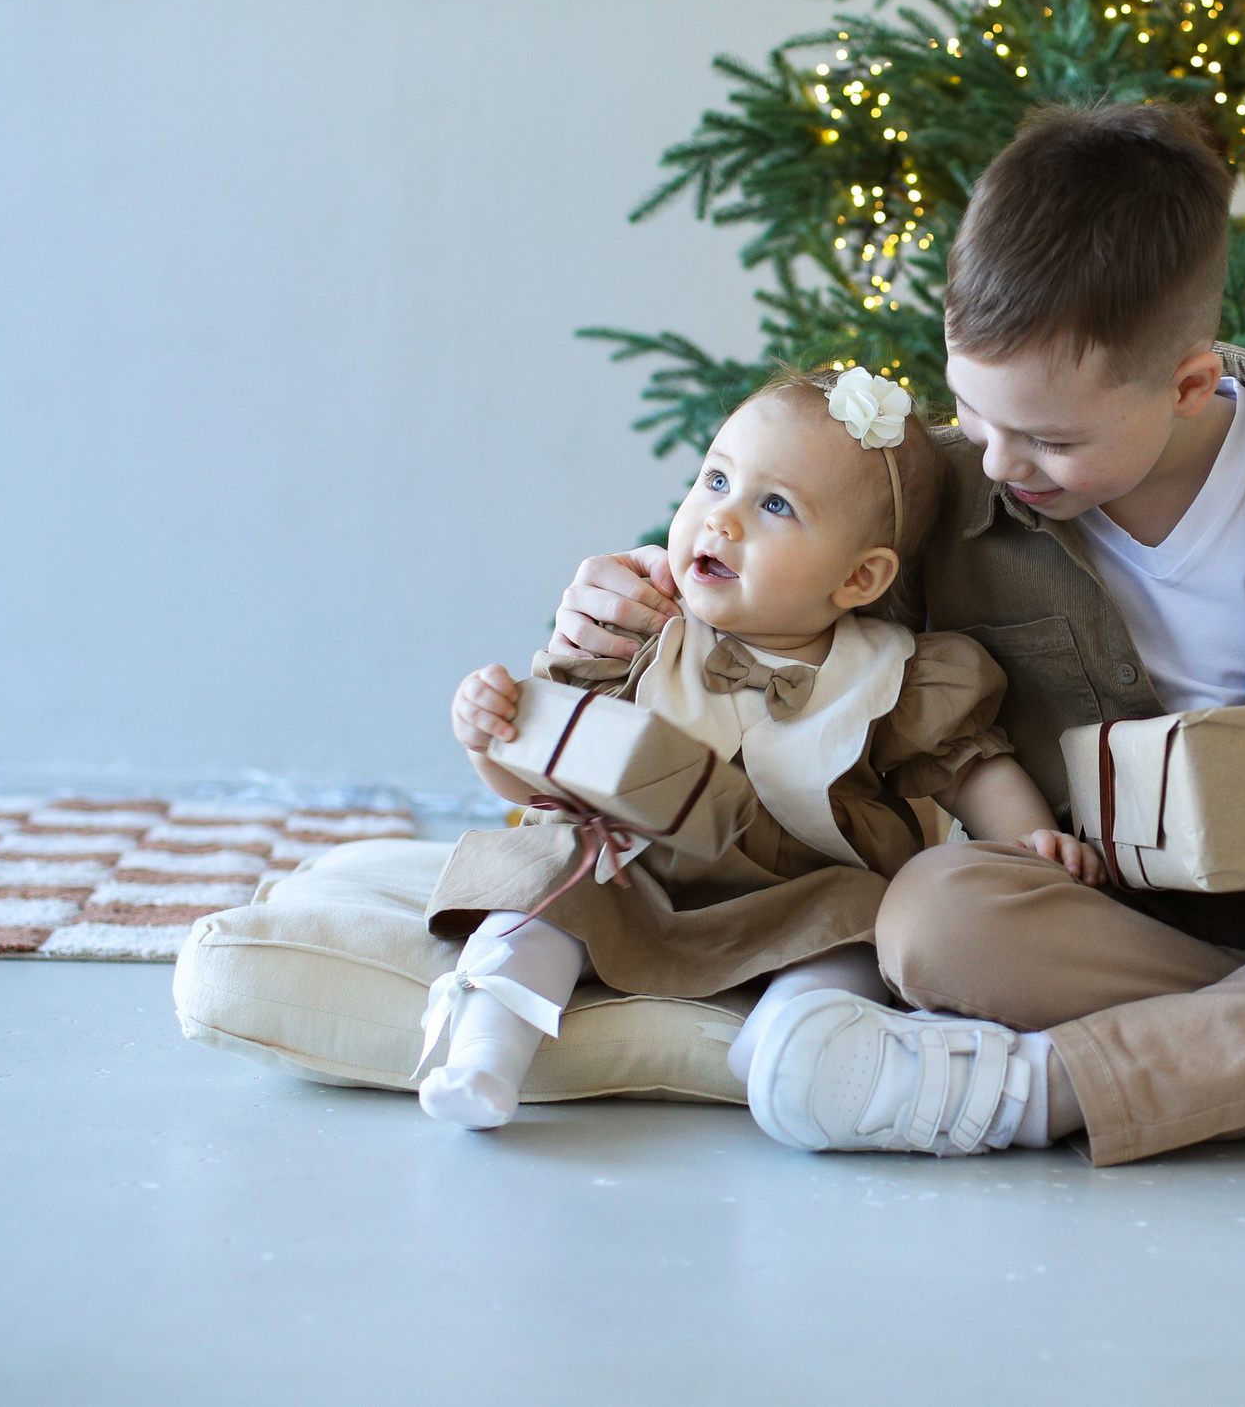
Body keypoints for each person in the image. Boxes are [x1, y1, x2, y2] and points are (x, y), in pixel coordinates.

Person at [554, 103, 1245, 1166]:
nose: (996, 463)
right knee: (934, 924)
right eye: (973, 413)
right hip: (1095, 912)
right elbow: (778, 632)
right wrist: (622, 609)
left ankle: (1047, 1091)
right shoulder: (936, 496)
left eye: (1045, 440)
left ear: (1189, 385)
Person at [417, 365, 1092, 1134]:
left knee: (862, 920)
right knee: (542, 878)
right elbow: (538, 770)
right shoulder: (641, 633)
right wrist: (488, 731)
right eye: (714, 479)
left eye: (775, 505)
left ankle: (785, 1037)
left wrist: (1031, 843)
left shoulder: (892, 675)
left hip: (790, 894)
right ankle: (484, 1052)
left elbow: (974, 767)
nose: (721, 519)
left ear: (860, 576)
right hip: (632, 874)